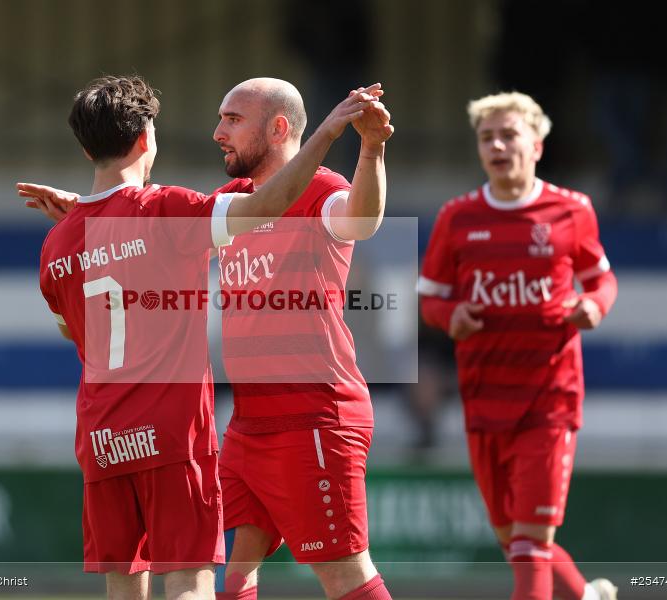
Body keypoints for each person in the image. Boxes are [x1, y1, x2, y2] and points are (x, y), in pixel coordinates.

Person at [22, 77, 395, 600]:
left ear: (279, 127)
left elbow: (361, 220)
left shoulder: (322, 188)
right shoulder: (226, 199)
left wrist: (371, 148)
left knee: (342, 573)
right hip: (246, 424)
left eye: (233, 120)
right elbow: (148, 232)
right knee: (232, 575)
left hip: (312, 411)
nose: (217, 132)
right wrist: (93, 212)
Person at [417, 92, 619, 600]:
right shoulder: (457, 217)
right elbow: (429, 300)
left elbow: (602, 280)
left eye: (509, 135)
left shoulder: (572, 210)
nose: (497, 145)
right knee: (516, 540)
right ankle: (589, 596)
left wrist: (594, 306)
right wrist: (451, 315)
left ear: (537, 145)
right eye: (487, 137)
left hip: (550, 395)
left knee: (531, 542)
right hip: (484, 396)